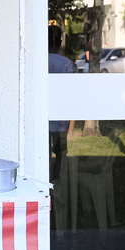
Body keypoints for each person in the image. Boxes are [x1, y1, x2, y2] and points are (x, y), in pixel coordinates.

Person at [47, 26, 75, 180]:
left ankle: (45, 178)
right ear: (59, 43)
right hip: (60, 116)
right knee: (60, 152)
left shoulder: (39, 61)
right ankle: (56, 179)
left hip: (43, 114)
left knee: (43, 151)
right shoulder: (65, 63)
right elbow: (69, 91)